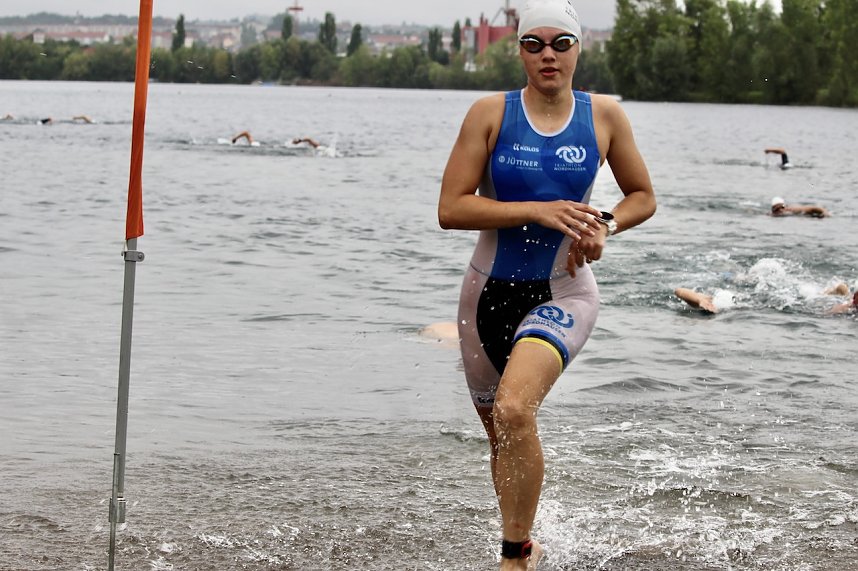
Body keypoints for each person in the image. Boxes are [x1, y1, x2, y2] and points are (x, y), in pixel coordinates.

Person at [436, 1, 656, 568]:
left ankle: (515, 555)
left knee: (513, 410)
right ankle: (520, 535)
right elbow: (451, 208)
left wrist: (605, 224)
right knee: (501, 434)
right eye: (533, 44)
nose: (548, 54)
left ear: (579, 48)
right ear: (519, 52)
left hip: (564, 290)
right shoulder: (490, 113)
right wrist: (537, 209)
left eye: (561, 42)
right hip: (485, 294)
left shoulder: (603, 116)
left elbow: (642, 196)